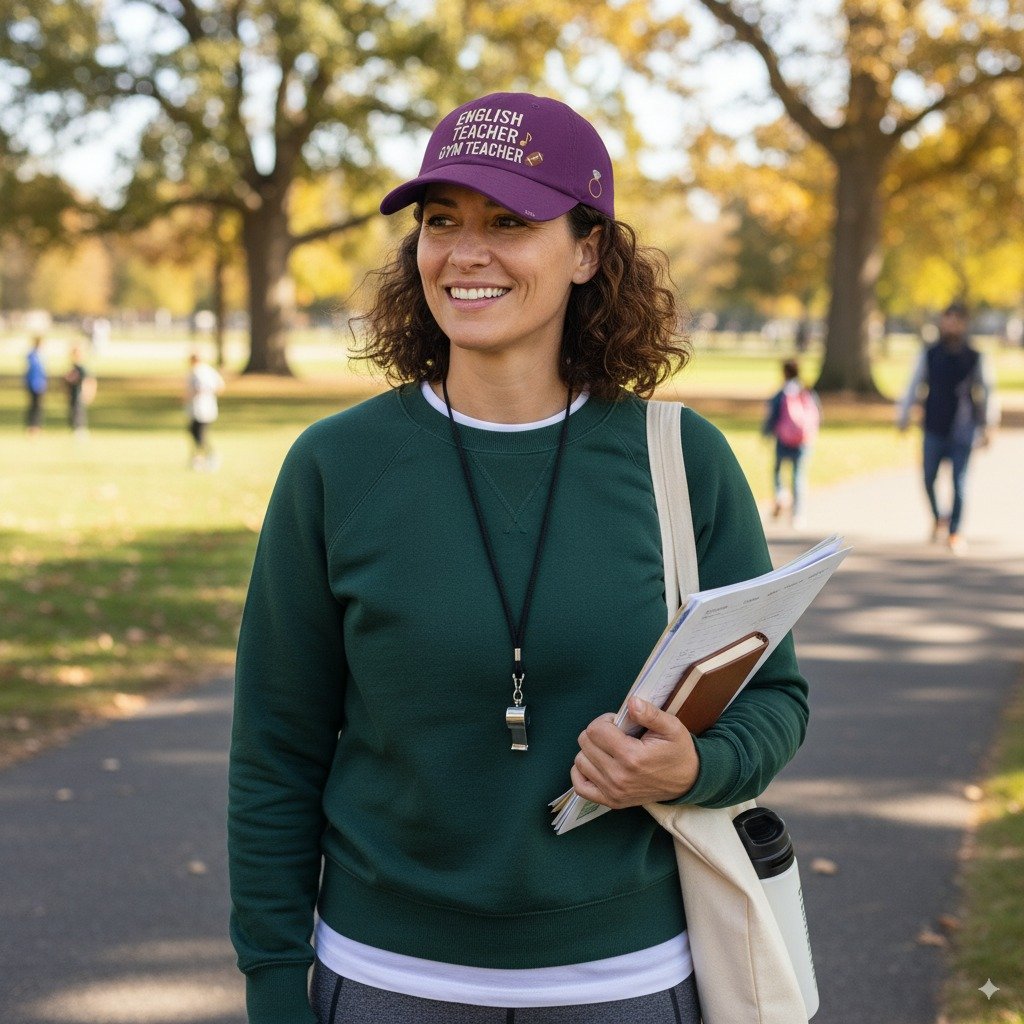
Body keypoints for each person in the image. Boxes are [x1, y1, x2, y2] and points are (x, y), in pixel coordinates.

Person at [229, 92, 809, 1024]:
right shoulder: (336, 467)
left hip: (626, 982)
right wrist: (270, 982)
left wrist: (691, 771)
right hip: (385, 981)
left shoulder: (680, 459)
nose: (466, 251)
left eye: (509, 221)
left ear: (586, 251)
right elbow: (276, 749)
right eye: (441, 221)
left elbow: (775, 699)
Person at [897, 302, 999, 553]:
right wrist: (904, 415)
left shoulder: (975, 356)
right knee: (928, 478)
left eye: (956, 319)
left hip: (963, 428)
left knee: (959, 483)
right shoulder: (929, 354)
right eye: (947, 319)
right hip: (933, 426)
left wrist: (989, 425)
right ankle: (938, 517)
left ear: (964, 323)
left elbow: (986, 391)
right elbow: (914, 385)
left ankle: (955, 531)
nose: (950, 324)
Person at [762, 358, 821, 527]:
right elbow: (817, 414)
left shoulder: (782, 393)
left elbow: (772, 416)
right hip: (803, 441)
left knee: (778, 470)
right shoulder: (807, 391)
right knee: (799, 476)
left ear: (784, 373)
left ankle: (781, 494)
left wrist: (766, 434)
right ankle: (798, 514)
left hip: (783, 440)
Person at [184, 352, 224, 469]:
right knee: (195, 433)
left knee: (199, 436)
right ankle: (199, 458)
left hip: (199, 409)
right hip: (208, 408)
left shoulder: (197, 372)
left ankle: (207, 457)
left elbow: (197, 389)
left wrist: (186, 398)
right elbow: (220, 386)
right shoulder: (209, 371)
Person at [64, 345, 94, 434]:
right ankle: (75, 427)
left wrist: (88, 392)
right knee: (73, 410)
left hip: (79, 393)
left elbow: (88, 380)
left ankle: (79, 428)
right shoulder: (73, 367)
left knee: (79, 411)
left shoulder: (81, 368)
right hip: (73, 393)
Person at [24, 335, 47, 434]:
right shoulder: (33, 355)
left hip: (40, 384)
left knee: (39, 406)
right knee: (34, 406)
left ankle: (37, 426)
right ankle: (32, 426)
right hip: (34, 384)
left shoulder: (41, 355)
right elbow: (34, 371)